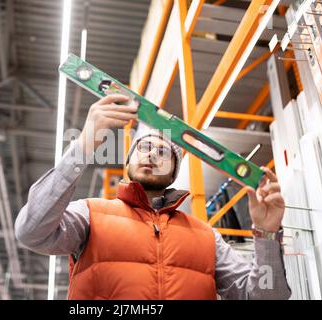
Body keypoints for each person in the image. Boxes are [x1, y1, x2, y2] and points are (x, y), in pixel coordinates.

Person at [15, 94, 291, 300]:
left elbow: (266, 296)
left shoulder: (206, 237)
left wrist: (266, 234)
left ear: (174, 172)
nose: (151, 154)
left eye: (163, 153)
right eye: (144, 147)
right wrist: (84, 145)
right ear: (128, 160)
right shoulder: (91, 215)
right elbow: (32, 231)